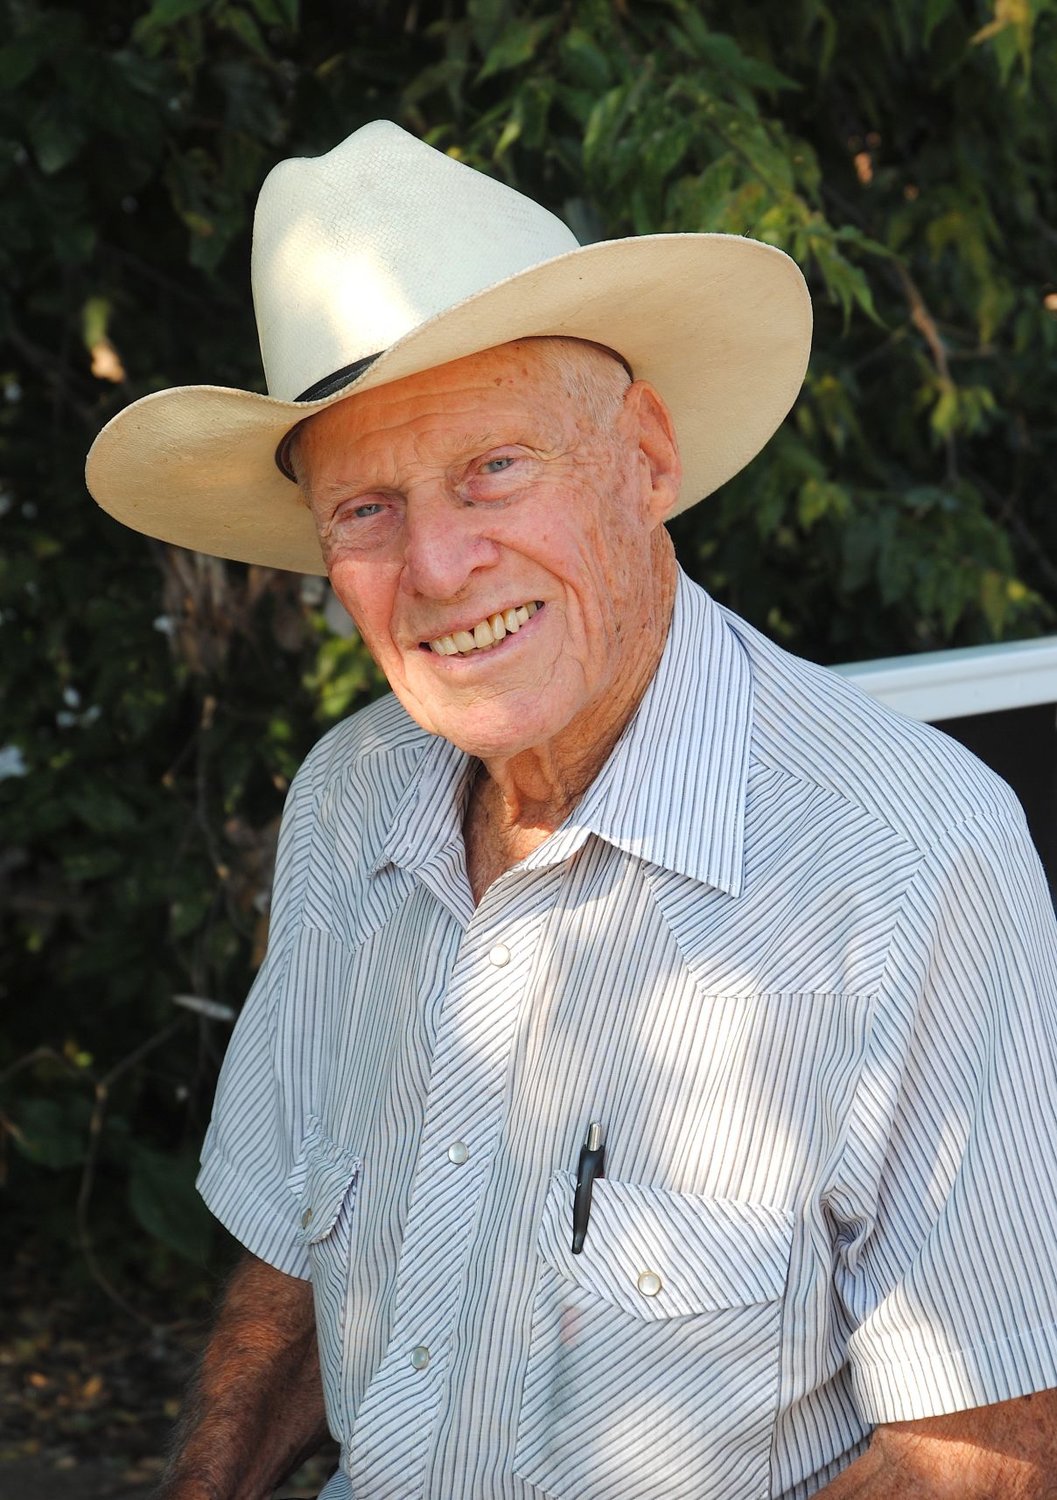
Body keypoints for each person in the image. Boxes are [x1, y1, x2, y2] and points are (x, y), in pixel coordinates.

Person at [85, 121, 1057, 1499]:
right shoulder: (348, 799)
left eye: (494, 468)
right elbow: (297, 1257)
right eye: (366, 508)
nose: (435, 564)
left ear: (644, 458)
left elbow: (993, 1450)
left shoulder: (902, 860)